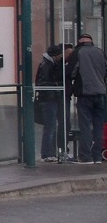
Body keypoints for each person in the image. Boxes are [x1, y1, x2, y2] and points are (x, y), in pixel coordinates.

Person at [70, 32, 106, 164]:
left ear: (79, 42)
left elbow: (71, 72)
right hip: (100, 93)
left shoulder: (78, 52)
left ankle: (85, 156)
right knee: (98, 127)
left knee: (85, 125)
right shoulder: (100, 52)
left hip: (85, 94)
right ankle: (97, 157)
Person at [34, 44, 65, 162]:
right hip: (48, 100)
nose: (61, 57)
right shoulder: (47, 65)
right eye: (59, 55)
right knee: (50, 127)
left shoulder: (48, 64)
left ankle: (50, 153)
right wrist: (56, 90)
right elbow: (44, 83)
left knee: (51, 127)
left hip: (49, 99)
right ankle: (47, 153)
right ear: (55, 55)